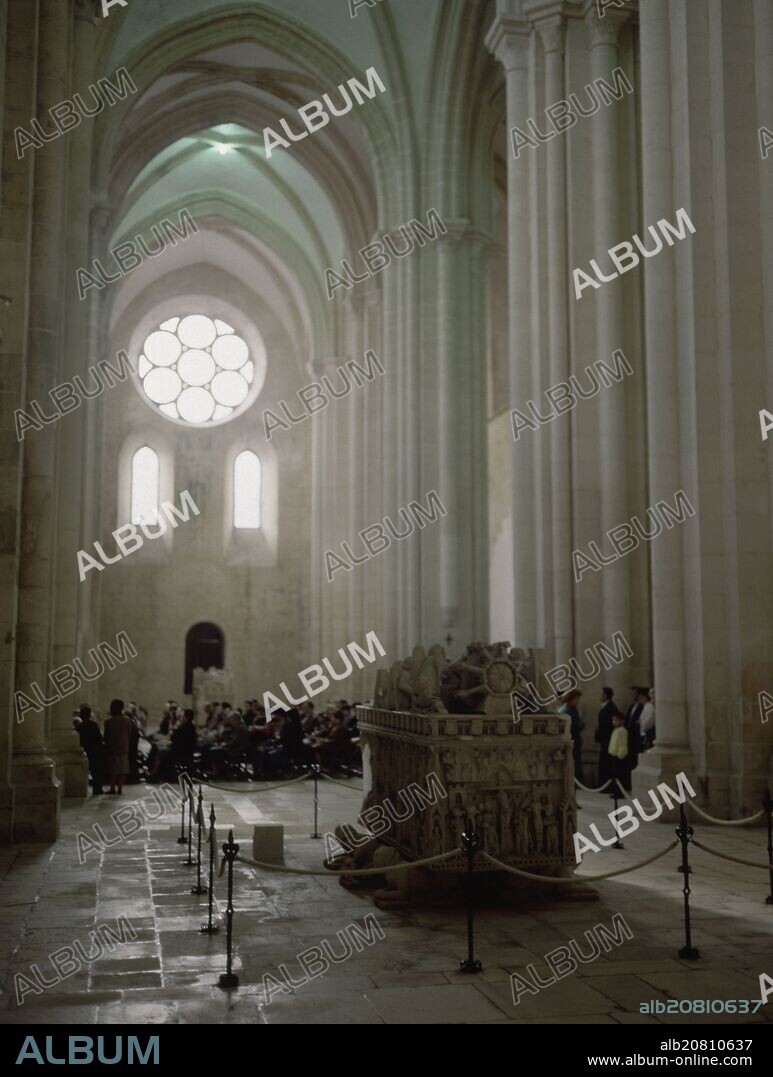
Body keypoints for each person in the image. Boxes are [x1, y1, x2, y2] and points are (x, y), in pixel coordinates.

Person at [595, 687, 623, 790]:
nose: (599, 696)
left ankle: (607, 786)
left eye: (601, 694)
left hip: (608, 740)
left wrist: (599, 735)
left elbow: (605, 726)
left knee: (607, 763)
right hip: (605, 740)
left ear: (606, 695)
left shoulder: (610, 708)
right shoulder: (607, 707)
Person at [103, 699, 133, 795]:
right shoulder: (127, 720)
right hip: (123, 747)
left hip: (112, 748)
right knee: (122, 769)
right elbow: (129, 733)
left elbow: (106, 736)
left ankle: (112, 788)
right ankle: (120, 788)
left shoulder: (108, 722)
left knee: (113, 770)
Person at [559, 690, 584, 783]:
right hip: (571, 743)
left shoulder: (570, 709)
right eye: (577, 699)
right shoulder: (567, 710)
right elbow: (572, 728)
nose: (578, 701)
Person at [78, 705, 104, 795]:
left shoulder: (80, 727)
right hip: (94, 750)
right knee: (96, 771)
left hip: (84, 750)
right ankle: (97, 789)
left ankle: (81, 789)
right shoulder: (94, 725)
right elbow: (99, 738)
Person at [607, 711, 630, 793]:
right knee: (614, 774)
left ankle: (619, 792)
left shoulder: (622, 731)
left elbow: (622, 744)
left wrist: (621, 754)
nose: (614, 722)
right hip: (613, 754)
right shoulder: (615, 730)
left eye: (616, 720)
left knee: (620, 775)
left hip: (619, 755)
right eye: (613, 720)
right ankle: (615, 790)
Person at [624, 685, 643, 780]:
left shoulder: (642, 706)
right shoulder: (631, 706)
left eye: (634, 694)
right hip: (630, 737)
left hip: (637, 738)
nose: (632, 696)